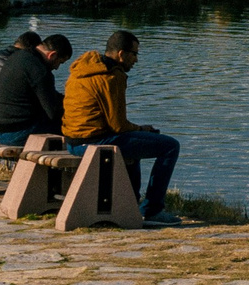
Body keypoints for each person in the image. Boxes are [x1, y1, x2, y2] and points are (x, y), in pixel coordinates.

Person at [63, 31, 181, 226]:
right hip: (94, 141)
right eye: (134, 54)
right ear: (121, 54)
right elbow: (118, 125)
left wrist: (137, 131)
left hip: (73, 142)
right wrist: (142, 129)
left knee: (133, 144)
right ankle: (152, 210)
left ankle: (130, 205)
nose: (136, 60)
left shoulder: (82, 70)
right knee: (170, 146)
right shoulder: (111, 76)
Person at [0, 31, 72, 139]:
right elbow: (53, 112)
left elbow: (46, 95)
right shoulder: (40, 70)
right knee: (74, 129)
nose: (57, 67)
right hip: (16, 133)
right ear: (52, 55)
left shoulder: (17, 56)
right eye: (60, 62)